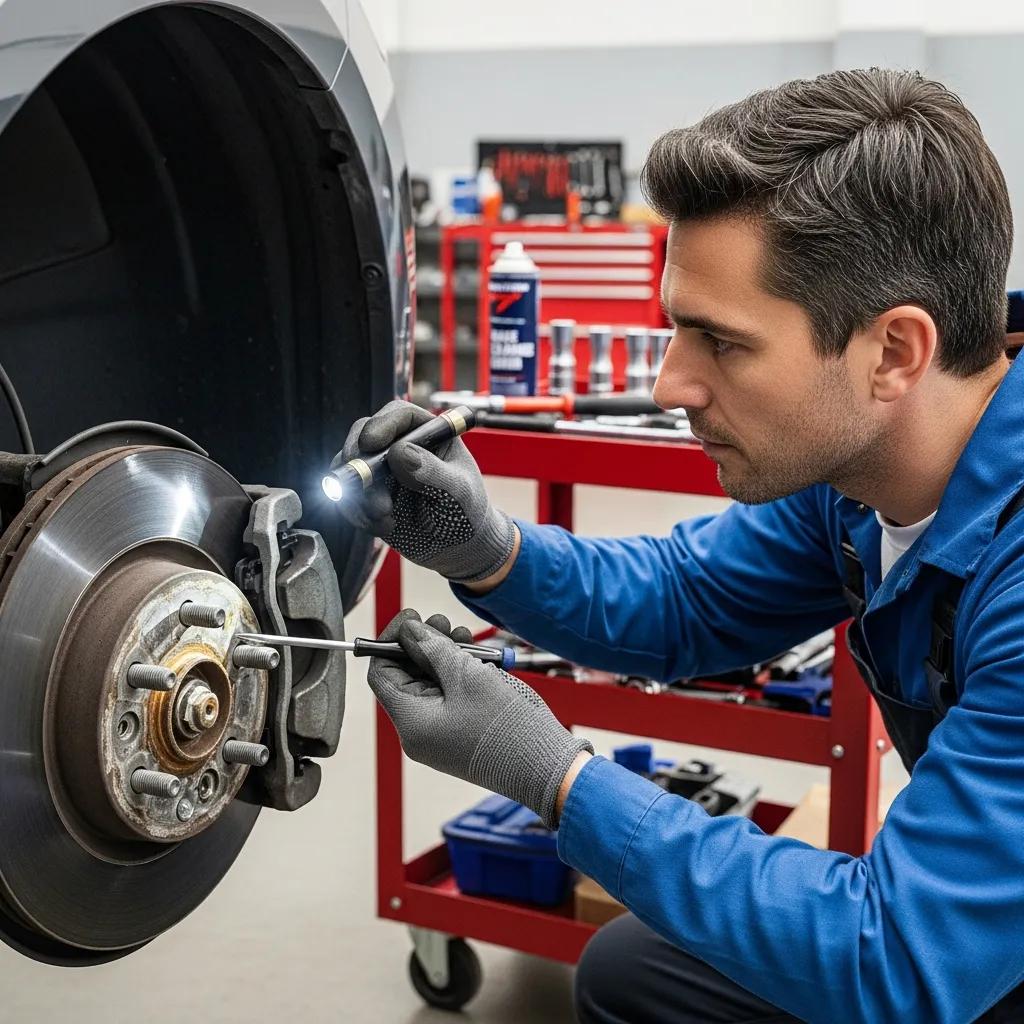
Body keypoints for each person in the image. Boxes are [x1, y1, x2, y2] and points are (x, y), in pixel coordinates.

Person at [336, 69, 1024, 1023]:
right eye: (673, 331)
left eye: (721, 343)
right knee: (637, 973)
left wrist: (558, 777)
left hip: (966, 952)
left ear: (895, 352)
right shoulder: (860, 479)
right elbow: (691, 598)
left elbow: (898, 958)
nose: (669, 385)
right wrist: (487, 549)